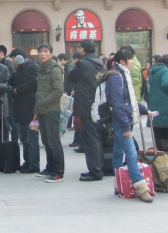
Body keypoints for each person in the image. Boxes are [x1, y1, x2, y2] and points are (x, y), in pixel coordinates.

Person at [106, 48, 153, 203]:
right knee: (131, 155)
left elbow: (129, 100)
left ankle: (118, 185)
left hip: (124, 119)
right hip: (122, 121)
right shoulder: (116, 77)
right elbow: (118, 104)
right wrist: (126, 127)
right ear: (122, 61)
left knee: (118, 153)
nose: (133, 61)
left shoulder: (122, 74)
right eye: (131, 59)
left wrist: (145, 110)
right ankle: (141, 188)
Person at [68, 40, 106, 181]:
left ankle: (95, 171)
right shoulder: (100, 63)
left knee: (90, 139)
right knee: (96, 138)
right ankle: (99, 167)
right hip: (98, 104)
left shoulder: (83, 63)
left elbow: (72, 76)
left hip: (86, 104)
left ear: (83, 50)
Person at [33, 43, 65, 183]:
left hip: (51, 110)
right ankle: (50, 167)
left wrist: (43, 103)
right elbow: (39, 92)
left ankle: (58, 172)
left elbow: (58, 91)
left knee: (53, 141)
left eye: (45, 51)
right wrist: (36, 110)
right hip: (41, 110)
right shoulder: (41, 69)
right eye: (40, 51)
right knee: (46, 141)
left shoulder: (54, 69)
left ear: (51, 53)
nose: (42, 54)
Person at [8, 50, 39, 173]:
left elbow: (33, 83)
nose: (13, 62)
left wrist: (17, 90)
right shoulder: (18, 71)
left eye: (13, 59)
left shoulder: (31, 68)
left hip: (33, 110)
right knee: (24, 137)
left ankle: (34, 164)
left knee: (32, 137)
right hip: (20, 110)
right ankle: (27, 162)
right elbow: (10, 82)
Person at [147, 54, 168, 151]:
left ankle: (160, 146)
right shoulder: (165, 70)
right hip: (164, 100)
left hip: (153, 99)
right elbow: (165, 83)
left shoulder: (152, 70)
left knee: (156, 123)